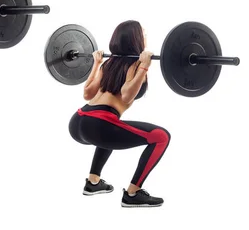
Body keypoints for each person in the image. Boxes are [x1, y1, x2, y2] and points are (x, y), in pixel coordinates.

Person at [68, 20, 171, 208]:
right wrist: (144, 67)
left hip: (78, 122)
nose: (146, 36)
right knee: (161, 136)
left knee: (113, 127)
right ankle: (133, 193)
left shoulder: (108, 64)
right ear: (136, 39)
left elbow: (87, 94)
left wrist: (97, 63)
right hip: (99, 124)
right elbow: (126, 94)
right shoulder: (137, 65)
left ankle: (93, 182)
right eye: (143, 33)